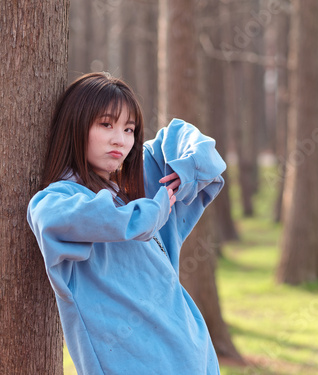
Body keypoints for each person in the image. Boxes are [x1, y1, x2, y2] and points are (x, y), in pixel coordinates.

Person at [27, 72, 226, 374]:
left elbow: (192, 142)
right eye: (105, 124)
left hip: (193, 352)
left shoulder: (138, 183)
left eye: (129, 129)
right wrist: (152, 212)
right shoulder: (55, 201)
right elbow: (97, 221)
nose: (120, 140)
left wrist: (184, 172)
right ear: (76, 125)